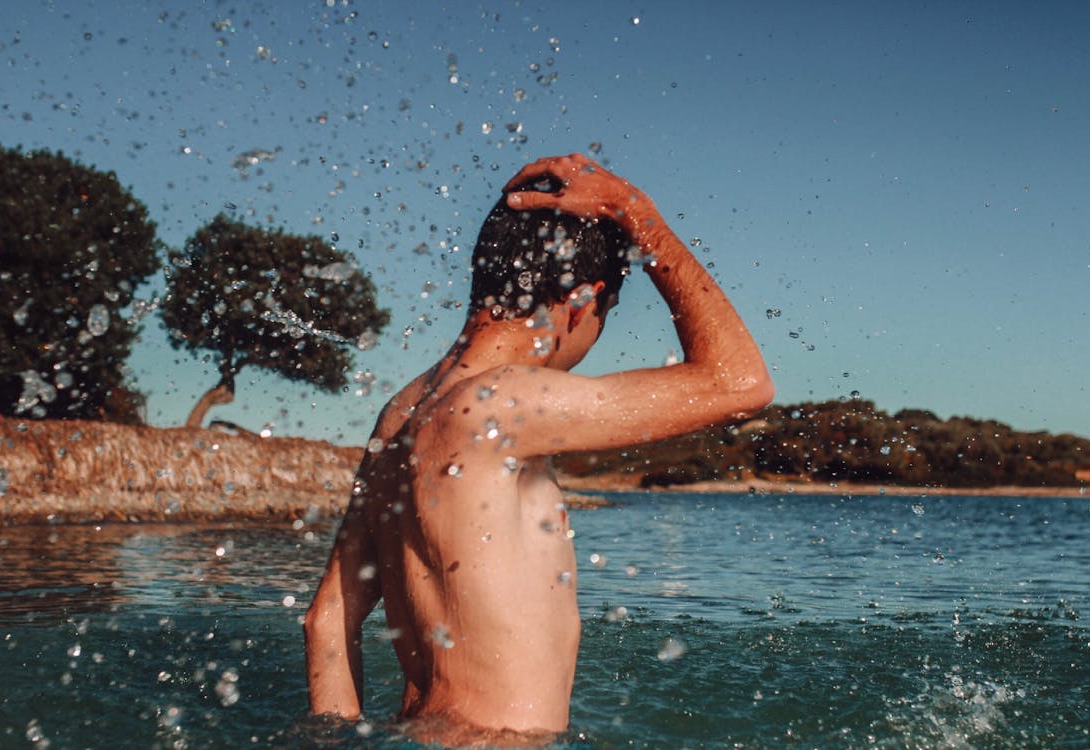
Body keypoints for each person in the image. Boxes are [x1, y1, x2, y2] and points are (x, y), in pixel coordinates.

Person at [304, 153, 774, 745]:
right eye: (607, 314)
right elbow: (741, 382)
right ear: (582, 301)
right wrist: (638, 215)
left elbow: (325, 622)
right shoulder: (499, 406)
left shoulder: (402, 410)